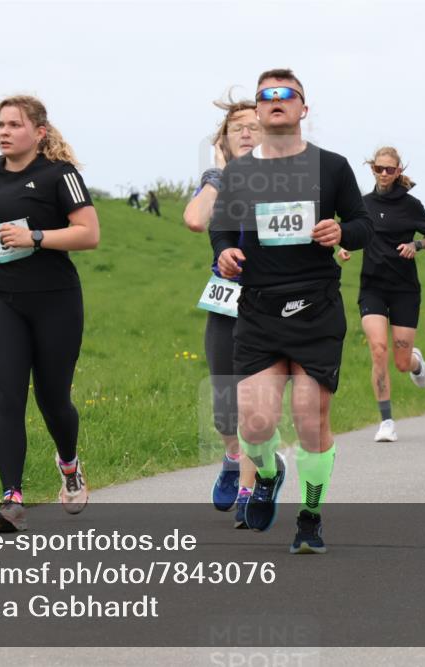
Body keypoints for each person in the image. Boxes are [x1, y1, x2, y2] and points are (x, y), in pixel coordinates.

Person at [211, 68, 372, 553]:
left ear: (304, 108)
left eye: (287, 95)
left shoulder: (332, 167)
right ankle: (266, 473)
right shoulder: (239, 172)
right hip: (259, 307)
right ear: (257, 112)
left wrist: (342, 233)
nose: (276, 101)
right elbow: (220, 229)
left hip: (315, 307)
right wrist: (223, 253)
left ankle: (310, 516)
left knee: (308, 417)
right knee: (255, 423)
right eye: (266, 96)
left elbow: (363, 224)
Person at [0, 95, 100, 532]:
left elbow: (89, 234)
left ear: (38, 133)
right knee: (8, 395)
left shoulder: (60, 176)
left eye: (14, 125)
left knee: (53, 399)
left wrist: (34, 237)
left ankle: (69, 464)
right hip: (0, 301)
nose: (3, 131)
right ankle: (11, 498)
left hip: (55, 302)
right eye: (0, 124)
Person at [183, 95, 261, 528]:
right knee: (225, 405)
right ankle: (233, 458)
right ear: (224, 143)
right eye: (237, 129)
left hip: (272, 300)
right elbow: (195, 219)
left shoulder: (283, 177)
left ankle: (251, 489)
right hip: (226, 299)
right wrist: (217, 174)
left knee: (256, 402)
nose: (247, 132)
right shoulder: (218, 182)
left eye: (254, 125)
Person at [357, 147, 425, 442]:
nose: (383, 174)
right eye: (379, 168)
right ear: (372, 168)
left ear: (398, 171)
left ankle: (416, 362)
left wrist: (416, 246)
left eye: (389, 170)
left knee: (401, 362)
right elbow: (354, 231)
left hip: (404, 289)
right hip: (372, 288)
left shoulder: (411, 205)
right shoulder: (363, 203)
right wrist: (345, 245)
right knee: (378, 350)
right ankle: (387, 421)